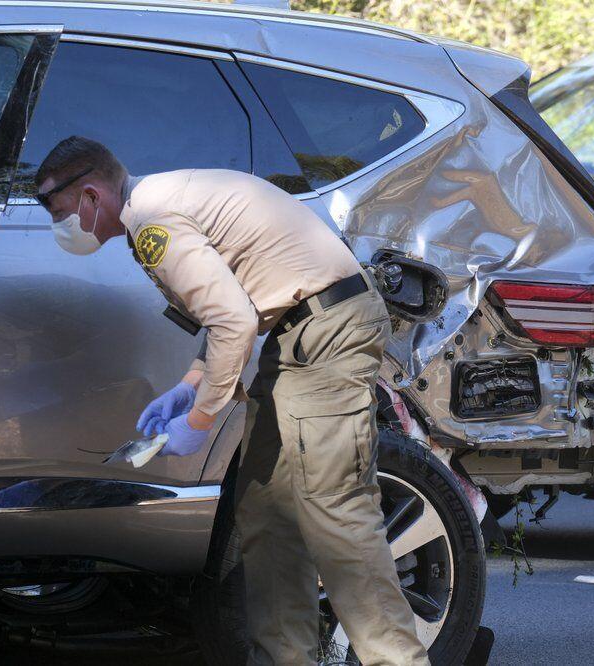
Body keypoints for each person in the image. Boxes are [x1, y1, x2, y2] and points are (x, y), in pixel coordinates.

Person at [34, 136, 430, 666]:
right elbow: (232, 295)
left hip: (326, 333)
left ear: (89, 196)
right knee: (266, 508)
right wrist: (193, 380)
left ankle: (398, 660)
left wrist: (200, 418)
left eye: (59, 213)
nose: (62, 227)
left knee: (335, 508)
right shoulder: (156, 203)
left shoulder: (152, 220)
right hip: (301, 335)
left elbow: (234, 320)